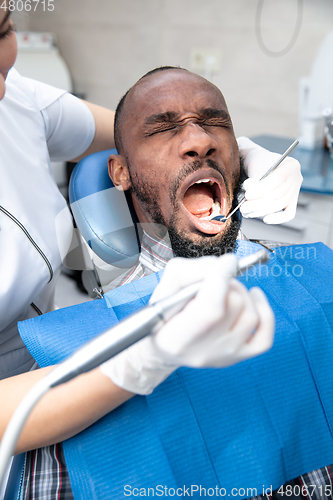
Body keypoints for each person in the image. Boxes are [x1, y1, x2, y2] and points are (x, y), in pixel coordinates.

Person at [10, 67, 333, 499]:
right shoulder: (72, 353)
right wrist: (138, 359)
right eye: (164, 129)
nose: (199, 139)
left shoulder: (313, 280)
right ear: (120, 174)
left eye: (216, 124)